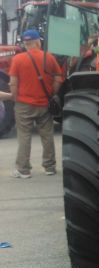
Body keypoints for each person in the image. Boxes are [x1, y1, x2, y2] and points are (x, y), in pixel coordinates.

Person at [9, 29, 63, 178]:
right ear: (38, 42)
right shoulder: (49, 57)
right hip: (44, 103)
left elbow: (13, 82)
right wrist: (52, 93)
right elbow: (58, 78)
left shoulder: (17, 59)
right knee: (47, 135)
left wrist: (14, 97)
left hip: (23, 104)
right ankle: (50, 167)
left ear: (25, 44)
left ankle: (23, 170)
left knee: (24, 136)